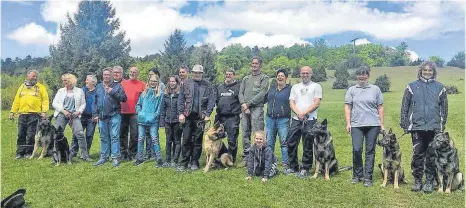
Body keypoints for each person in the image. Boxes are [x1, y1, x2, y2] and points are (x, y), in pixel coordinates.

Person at [400, 61, 448, 193]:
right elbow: (405, 105)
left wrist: (441, 126)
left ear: (434, 72)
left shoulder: (440, 87)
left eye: (430, 70)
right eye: (425, 70)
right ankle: (417, 180)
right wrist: (404, 123)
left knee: (432, 155)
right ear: (420, 71)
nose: (427, 72)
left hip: (434, 128)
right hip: (417, 127)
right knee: (418, 154)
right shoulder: (411, 86)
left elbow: (444, 109)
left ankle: (429, 181)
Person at [344, 66, 384, 187]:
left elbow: (380, 107)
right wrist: (348, 123)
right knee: (356, 149)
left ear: (368, 76)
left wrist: (382, 124)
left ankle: (368, 177)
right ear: (357, 76)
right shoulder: (352, 90)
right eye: (359, 74)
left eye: (364, 74)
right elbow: (348, 107)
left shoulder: (375, 89)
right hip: (357, 124)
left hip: (373, 124)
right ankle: (357, 175)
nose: (361, 76)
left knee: (370, 151)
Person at [283, 66, 322, 179]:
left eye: (307, 73)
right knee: (291, 143)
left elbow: (316, 103)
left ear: (311, 74)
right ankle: (293, 166)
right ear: (300, 74)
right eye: (303, 73)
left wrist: (304, 113)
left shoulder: (316, 86)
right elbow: (291, 102)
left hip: (310, 120)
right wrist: (298, 113)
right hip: (296, 119)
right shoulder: (295, 87)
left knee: (307, 144)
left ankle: (305, 168)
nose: (305, 75)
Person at [177, 64, 215, 171]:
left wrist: (208, 114)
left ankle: (194, 161)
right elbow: (181, 99)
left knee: (197, 141)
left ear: (202, 73)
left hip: (201, 117)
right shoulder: (186, 84)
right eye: (195, 72)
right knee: (186, 140)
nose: (197, 74)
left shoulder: (208, 85)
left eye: (199, 73)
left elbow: (211, 100)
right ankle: (184, 162)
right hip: (188, 116)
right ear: (192, 73)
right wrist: (180, 113)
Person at [52, 73, 93, 162]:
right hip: (62, 115)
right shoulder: (60, 91)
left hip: (74, 116)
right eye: (63, 81)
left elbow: (83, 104)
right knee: (56, 135)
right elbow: (54, 103)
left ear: (71, 81)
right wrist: (64, 111)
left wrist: (78, 112)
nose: (64, 83)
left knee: (80, 134)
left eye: (66, 81)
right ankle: (55, 157)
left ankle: (85, 156)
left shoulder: (79, 91)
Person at [9, 69, 49, 159]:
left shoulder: (41, 87)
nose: (35, 77)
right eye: (33, 76)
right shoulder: (22, 87)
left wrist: (44, 111)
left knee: (31, 134)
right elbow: (16, 100)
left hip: (34, 114)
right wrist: (12, 111)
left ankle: (28, 153)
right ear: (27, 76)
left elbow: (45, 100)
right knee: (21, 134)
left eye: (36, 76)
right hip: (22, 114)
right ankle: (19, 153)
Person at [238, 56, 269, 167]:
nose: (254, 65)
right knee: (245, 133)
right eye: (253, 63)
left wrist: (249, 103)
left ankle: (259, 157)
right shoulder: (246, 78)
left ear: (260, 65)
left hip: (257, 109)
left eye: (256, 63)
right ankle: (246, 157)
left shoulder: (264, 78)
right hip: (244, 109)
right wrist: (244, 105)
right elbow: (240, 93)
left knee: (258, 134)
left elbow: (262, 94)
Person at [93, 67, 127, 167]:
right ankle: (104, 157)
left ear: (112, 76)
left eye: (108, 74)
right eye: (105, 75)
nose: (106, 76)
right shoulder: (98, 87)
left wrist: (112, 92)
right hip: (102, 116)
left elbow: (124, 98)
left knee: (114, 136)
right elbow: (94, 102)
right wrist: (95, 114)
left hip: (114, 115)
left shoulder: (118, 86)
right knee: (103, 137)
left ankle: (115, 157)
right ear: (102, 76)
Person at [134, 74, 164, 167]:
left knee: (154, 138)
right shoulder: (144, 93)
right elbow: (138, 104)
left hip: (153, 120)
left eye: (155, 81)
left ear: (157, 82)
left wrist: (155, 115)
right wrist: (139, 112)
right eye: (151, 81)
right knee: (140, 138)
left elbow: (159, 108)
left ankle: (159, 159)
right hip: (142, 119)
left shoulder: (160, 94)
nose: (153, 82)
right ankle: (139, 158)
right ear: (149, 81)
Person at [265, 69, 291, 168]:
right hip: (270, 119)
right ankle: (270, 161)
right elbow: (264, 99)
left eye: (282, 76)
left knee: (284, 142)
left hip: (283, 120)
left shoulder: (289, 90)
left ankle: (285, 162)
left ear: (286, 78)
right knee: (269, 142)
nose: (280, 77)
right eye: (278, 76)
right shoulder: (272, 89)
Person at [215, 69, 241, 163]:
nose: (228, 75)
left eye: (230, 74)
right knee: (218, 137)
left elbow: (241, 100)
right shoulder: (220, 87)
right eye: (226, 74)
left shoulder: (238, 87)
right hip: (221, 116)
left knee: (232, 139)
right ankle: (219, 157)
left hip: (232, 117)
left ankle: (231, 159)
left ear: (234, 75)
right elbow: (217, 100)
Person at [120, 67, 145, 160]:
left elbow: (144, 99)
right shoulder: (123, 83)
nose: (132, 73)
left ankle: (132, 152)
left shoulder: (142, 84)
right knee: (122, 133)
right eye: (130, 71)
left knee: (135, 134)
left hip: (135, 113)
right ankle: (123, 152)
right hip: (123, 111)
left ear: (137, 74)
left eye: (134, 72)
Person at [71, 74, 98, 158]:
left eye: (87, 80)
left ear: (93, 82)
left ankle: (85, 154)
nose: (85, 81)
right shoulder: (82, 90)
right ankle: (73, 152)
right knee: (77, 134)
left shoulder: (97, 92)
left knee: (89, 136)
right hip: (81, 116)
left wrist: (97, 115)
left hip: (92, 118)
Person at [160, 76, 182, 167]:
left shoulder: (180, 94)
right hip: (167, 121)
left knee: (177, 141)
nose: (172, 83)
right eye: (170, 81)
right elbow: (163, 109)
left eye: (173, 81)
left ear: (177, 82)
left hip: (177, 121)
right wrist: (162, 121)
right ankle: (168, 160)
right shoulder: (165, 94)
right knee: (168, 141)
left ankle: (175, 160)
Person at [145, 67, 165, 160]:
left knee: (153, 135)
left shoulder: (161, 86)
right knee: (147, 134)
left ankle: (154, 153)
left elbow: (160, 102)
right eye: (149, 75)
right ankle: (148, 152)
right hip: (146, 115)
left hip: (155, 115)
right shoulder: (147, 85)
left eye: (152, 74)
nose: (150, 76)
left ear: (157, 75)